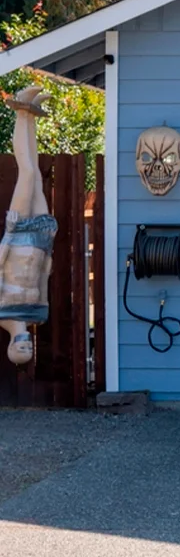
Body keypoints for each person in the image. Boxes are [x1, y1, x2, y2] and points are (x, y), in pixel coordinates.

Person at [0, 85, 56, 365]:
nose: (27, 346)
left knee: (28, 172)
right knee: (37, 177)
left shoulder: (2, 313)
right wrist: (48, 260)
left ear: (11, 348)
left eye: (21, 350)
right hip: (41, 242)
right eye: (29, 351)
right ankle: (30, 116)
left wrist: (8, 234)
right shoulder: (37, 315)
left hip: (19, 234)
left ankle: (22, 110)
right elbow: (43, 279)